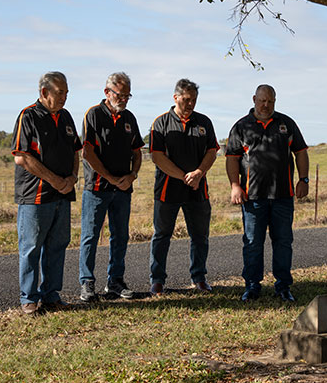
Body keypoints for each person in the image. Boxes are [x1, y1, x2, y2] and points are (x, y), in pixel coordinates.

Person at [226, 84, 309, 302]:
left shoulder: (286, 123)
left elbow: (300, 152)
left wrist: (304, 179)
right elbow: (232, 159)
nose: (266, 105)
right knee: (253, 242)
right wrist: (235, 186)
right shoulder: (241, 127)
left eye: (270, 101)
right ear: (254, 99)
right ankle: (252, 286)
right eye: (262, 100)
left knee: (283, 242)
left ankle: (283, 287)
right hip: (253, 197)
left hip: (283, 196)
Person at [11, 71, 81, 315]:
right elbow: (22, 158)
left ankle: (51, 296)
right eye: (60, 92)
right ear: (44, 92)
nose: (64, 97)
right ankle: (29, 299)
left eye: (66, 93)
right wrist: (55, 181)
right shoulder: (28, 116)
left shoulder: (65, 117)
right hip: (36, 196)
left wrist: (72, 178)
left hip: (63, 194)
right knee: (31, 247)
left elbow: (75, 151)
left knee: (58, 245)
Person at [148, 78, 219, 296]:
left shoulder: (204, 122)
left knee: (200, 236)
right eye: (186, 100)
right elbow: (157, 156)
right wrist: (182, 176)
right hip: (168, 189)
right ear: (175, 97)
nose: (190, 104)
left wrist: (198, 173)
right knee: (161, 236)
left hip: (198, 188)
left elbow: (212, 151)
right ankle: (157, 280)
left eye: (194, 100)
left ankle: (199, 277)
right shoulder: (160, 122)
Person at [78, 72, 144, 302]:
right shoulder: (94, 115)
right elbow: (87, 153)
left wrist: (132, 175)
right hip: (97, 188)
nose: (124, 99)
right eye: (120, 94)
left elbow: (137, 153)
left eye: (128, 95)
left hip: (123, 189)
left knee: (120, 236)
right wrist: (110, 177)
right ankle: (87, 282)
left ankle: (115, 282)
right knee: (90, 236)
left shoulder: (129, 118)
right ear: (107, 92)